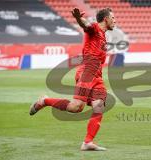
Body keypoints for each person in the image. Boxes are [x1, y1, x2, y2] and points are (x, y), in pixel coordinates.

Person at [29, 7, 116, 151]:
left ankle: (87, 142)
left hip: (97, 76)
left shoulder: (103, 35)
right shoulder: (94, 28)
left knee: (99, 106)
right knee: (76, 107)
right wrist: (77, 19)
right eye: (113, 18)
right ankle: (45, 101)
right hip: (87, 72)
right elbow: (85, 25)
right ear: (105, 19)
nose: (115, 20)